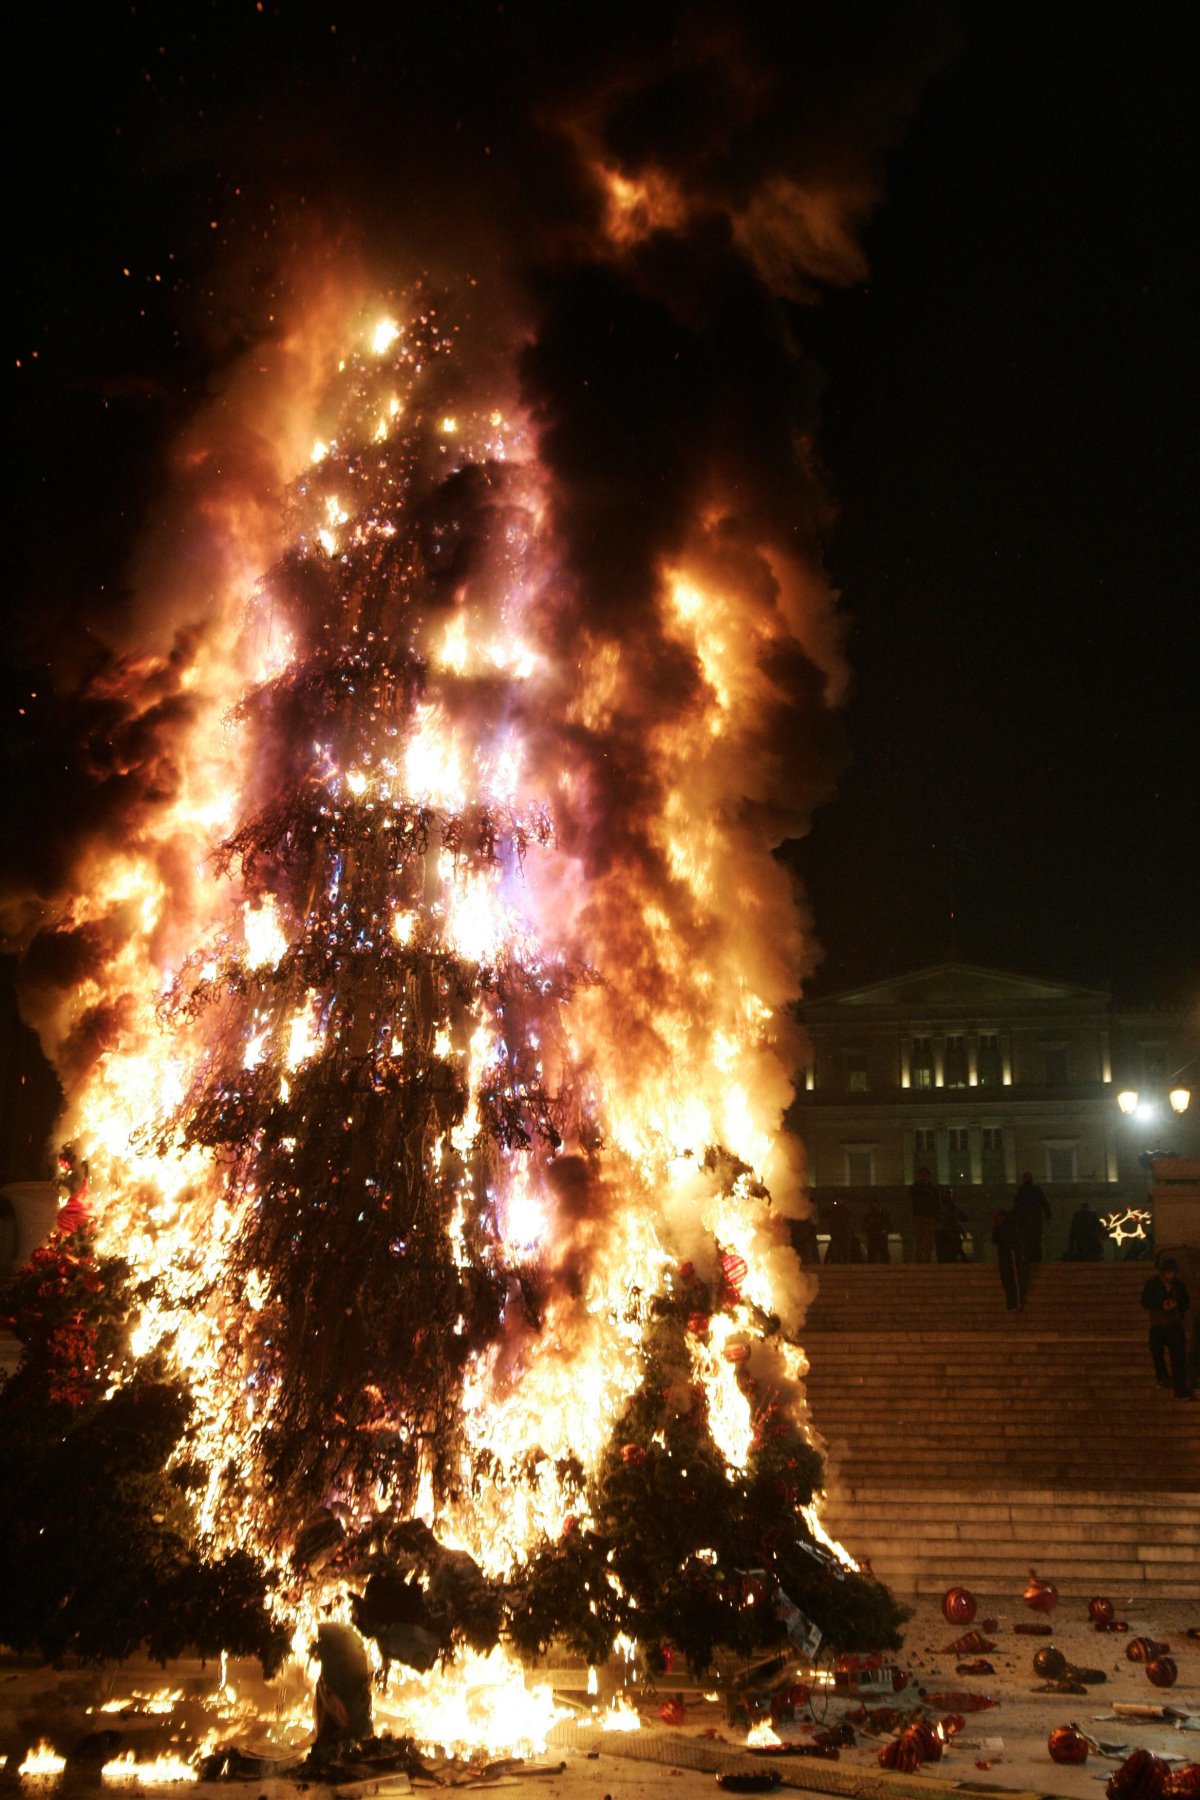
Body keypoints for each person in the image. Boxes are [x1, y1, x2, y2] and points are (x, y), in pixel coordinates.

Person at [1140, 1256, 1192, 1398]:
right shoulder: (1153, 1284)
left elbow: (1186, 1302)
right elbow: (1145, 1301)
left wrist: (1177, 1305)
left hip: (1174, 1324)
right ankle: (1162, 1377)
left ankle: (1180, 1389)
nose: (1170, 1276)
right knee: (1156, 1351)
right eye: (1168, 1273)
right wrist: (1160, 1304)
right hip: (1158, 1324)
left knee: (1178, 1357)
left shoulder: (1178, 1285)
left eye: (1172, 1273)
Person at [992, 1206, 1026, 1311]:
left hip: (1011, 1256)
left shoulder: (1010, 1226)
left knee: (1012, 1280)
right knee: (1006, 1281)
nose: (995, 1220)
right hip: (1003, 1257)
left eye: (997, 1217)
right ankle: (1010, 1303)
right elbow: (994, 1240)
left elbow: (1014, 1239)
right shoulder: (999, 1228)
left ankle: (1015, 1303)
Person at [1013, 1171, 1051, 1263]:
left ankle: (1029, 1259)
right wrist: (1048, 1215)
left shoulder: (1021, 1191)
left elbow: (1017, 1207)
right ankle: (1036, 1260)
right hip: (1034, 1221)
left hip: (1025, 1222)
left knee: (1027, 1243)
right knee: (1035, 1242)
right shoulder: (1037, 1190)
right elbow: (1044, 1203)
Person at [909, 1166, 939, 1262]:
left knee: (928, 1241)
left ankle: (926, 1259)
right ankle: (919, 1259)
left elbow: (936, 1203)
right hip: (919, 1216)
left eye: (925, 1175)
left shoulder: (932, 1189)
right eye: (921, 1175)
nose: (923, 1177)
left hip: (929, 1216)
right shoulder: (915, 1187)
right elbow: (911, 1196)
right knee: (918, 1239)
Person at [935, 1188, 967, 1262]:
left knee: (944, 1246)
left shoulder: (941, 1206)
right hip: (950, 1229)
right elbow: (963, 1217)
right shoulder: (951, 1207)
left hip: (947, 1229)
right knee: (955, 1244)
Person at [862, 1197, 893, 1264]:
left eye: (875, 1205)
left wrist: (884, 1231)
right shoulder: (868, 1216)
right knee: (872, 1255)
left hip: (881, 1237)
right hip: (872, 1237)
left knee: (883, 1254)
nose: (874, 1207)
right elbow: (863, 1228)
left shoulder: (884, 1216)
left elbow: (889, 1227)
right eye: (873, 1205)